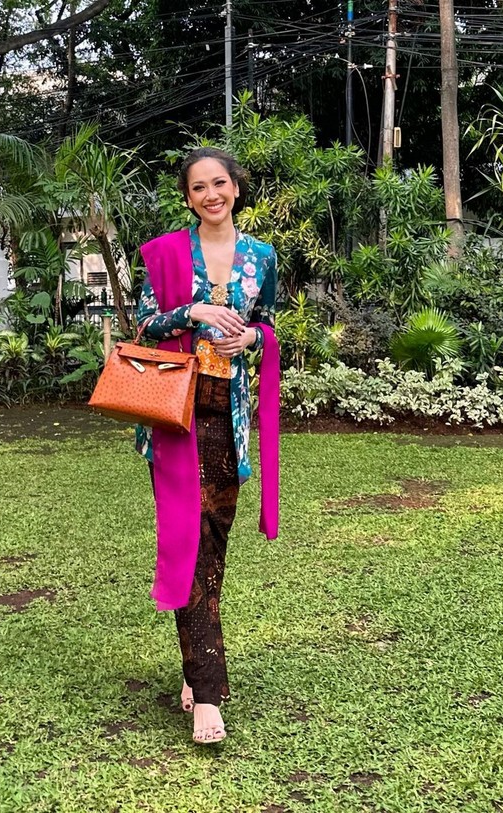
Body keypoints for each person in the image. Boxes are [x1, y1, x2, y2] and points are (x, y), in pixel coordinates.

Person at [135, 147, 280, 745]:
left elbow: (268, 326)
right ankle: (208, 693)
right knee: (188, 539)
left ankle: (196, 662)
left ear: (235, 189)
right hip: (175, 418)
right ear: (189, 197)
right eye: (198, 188)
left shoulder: (262, 257)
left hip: (229, 419)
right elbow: (145, 323)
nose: (210, 194)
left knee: (212, 544)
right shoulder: (168, 253)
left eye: (219, 183)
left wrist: (251, 336)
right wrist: (189, 311)